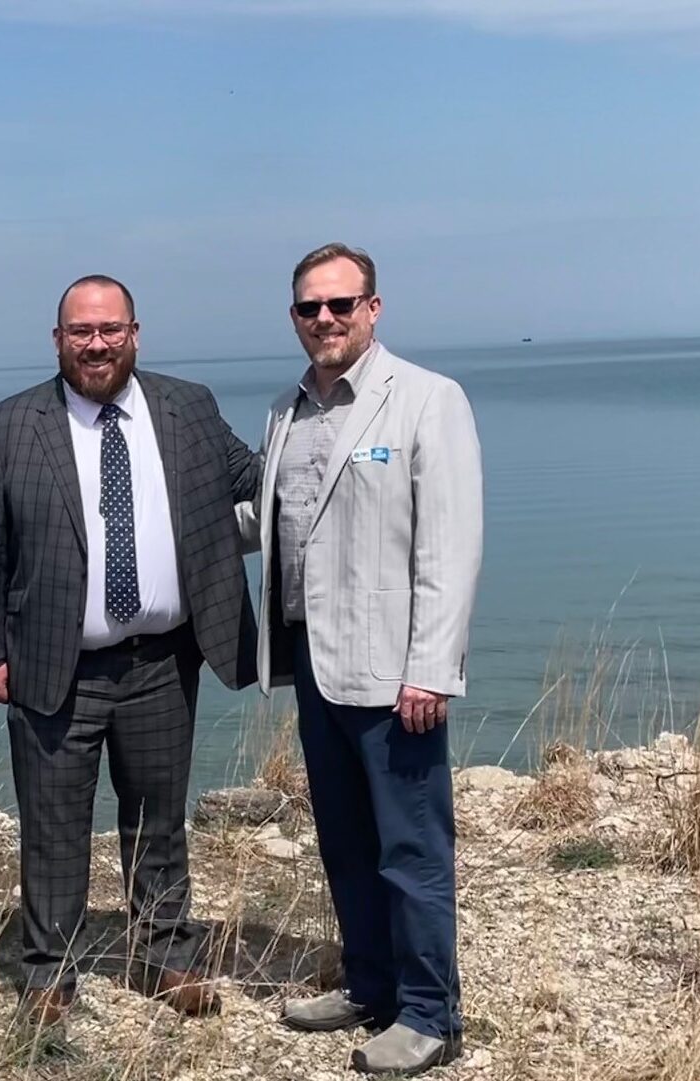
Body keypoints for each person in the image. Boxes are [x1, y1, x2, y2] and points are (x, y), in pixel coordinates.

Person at [0, 275, 258, 1024]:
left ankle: (164, 954)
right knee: (53, 823)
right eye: (80, 332)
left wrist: (344, 463)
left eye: (109, 329)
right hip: (52, 662)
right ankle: (49, 974)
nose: (95, 344)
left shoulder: (188, 408)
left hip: (163, 659)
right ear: (57, 339)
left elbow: (256, 477)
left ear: (135, 332)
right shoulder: (12, 424)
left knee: (157, 817)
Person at [245, 244, 483, 1076]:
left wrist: (432, 667)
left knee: (411, 850)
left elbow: (449, 550)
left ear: (373, 309)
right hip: (314, 662)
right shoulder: (286, 411)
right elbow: (273, 518)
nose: (326, 320)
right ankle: (370, 983)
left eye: (341, 304)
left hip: (395, 674)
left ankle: (430, 1013)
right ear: (294, 317)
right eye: (310, 307)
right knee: (345, 840)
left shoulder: (426, 401)